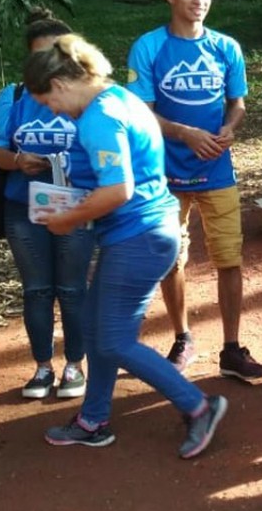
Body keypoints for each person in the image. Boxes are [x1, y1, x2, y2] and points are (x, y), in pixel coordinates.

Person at [23, 34, 227, 458]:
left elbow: (118, 190)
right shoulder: (119, 97)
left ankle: (198, 406)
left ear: (59, 85)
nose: (53, 111)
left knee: (114, 340)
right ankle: (92, 420)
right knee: (97, 329)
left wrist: (67, 219)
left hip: (139, 237)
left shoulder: (100, 117)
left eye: (48, 102)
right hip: (141, 232)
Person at [127, 0, 262, 381]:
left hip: (217, 170)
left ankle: (231, 348)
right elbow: (141, 112)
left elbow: (237, 103)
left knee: (230, 258)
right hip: (165, 174)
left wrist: (230, 127)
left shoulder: (226, 48)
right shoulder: (149, 47)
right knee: (171, 258)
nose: (198, 0)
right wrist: (184, 133)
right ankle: (182, 337)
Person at [0, 10, 95, 399]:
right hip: (24, 208)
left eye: (57, 54)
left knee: (73, 288)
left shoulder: (88, 98)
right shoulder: (15, 96)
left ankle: (75, 365)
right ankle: (43, 367)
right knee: (37, 290)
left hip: (76, 206)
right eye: (40, 56)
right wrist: (18, 160)